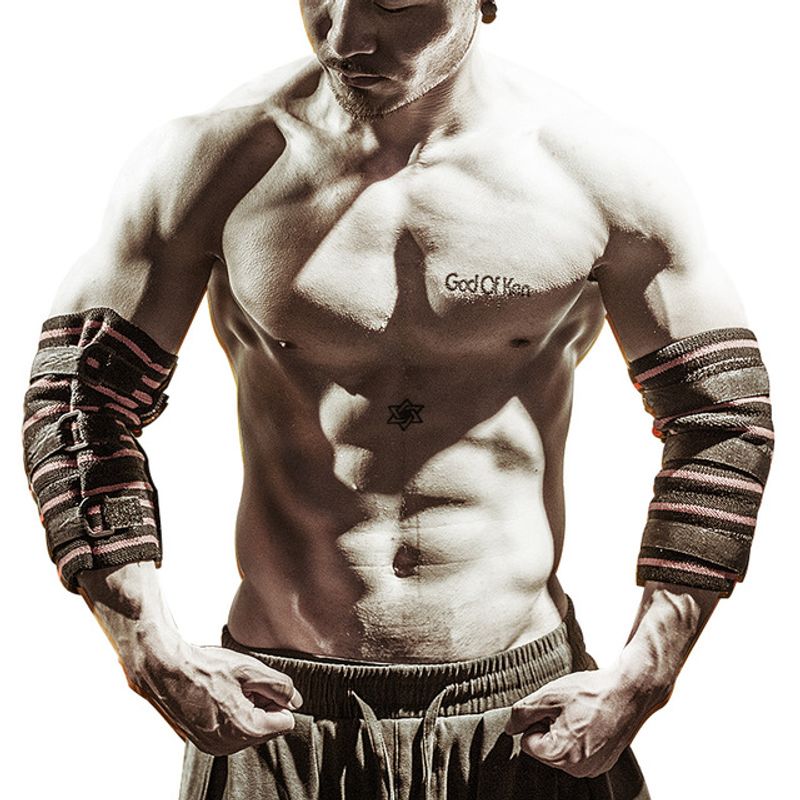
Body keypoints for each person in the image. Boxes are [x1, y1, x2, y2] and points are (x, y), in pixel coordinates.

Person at [21, 1, 773, 798]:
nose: (345, 37)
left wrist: (647, 672)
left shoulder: (595, 173)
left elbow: (720, 419)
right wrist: (147, 645)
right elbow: (79, 401)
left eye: (396, 0)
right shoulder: (212, 164)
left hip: (525, 717)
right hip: (276, 711)